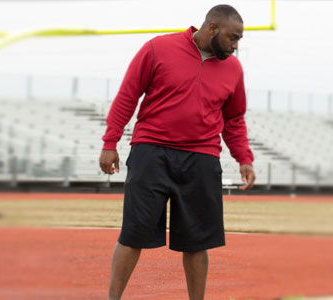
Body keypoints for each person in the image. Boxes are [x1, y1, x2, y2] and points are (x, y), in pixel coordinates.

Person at [98, 4, 256, 300]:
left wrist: (244, 158)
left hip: (201, 159)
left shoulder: (233, 69)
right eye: (232, 38)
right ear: (211, 28)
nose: (236, 46)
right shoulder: (158, 48)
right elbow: (127, 96)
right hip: (151, 152)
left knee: (198, 242)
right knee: (133, 233)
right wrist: (110, 143)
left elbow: (233, 119)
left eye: (239, 40)